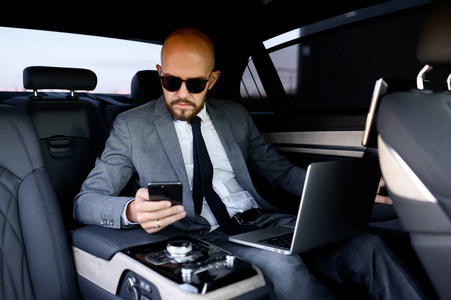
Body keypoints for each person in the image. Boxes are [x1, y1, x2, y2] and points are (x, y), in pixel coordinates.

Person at [74, 28, 425, 299]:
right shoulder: (132, 126)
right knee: (285, 269)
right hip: (206, 236)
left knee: (369, 248)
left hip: (264, 224)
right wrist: (132, 211)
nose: (181, 93)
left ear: (212, 80)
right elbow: (86, 200)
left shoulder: (235, 116)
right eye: (170, 81)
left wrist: (351, 192)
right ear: (159, 73)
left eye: (195, 83)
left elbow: (281, 173)